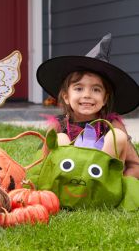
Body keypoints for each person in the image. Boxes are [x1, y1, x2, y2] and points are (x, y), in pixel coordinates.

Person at [37, 33, 139, 178]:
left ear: (105, 99)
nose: (87, 95)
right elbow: (43, 164)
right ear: (66, 97)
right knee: (60, 139)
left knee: (117, 137)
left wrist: (125, 186)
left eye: (96, 89)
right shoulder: (59, 126)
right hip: (68, 185)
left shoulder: (112, 125)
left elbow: (135, 165)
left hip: (103, 185)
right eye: (79, 88)